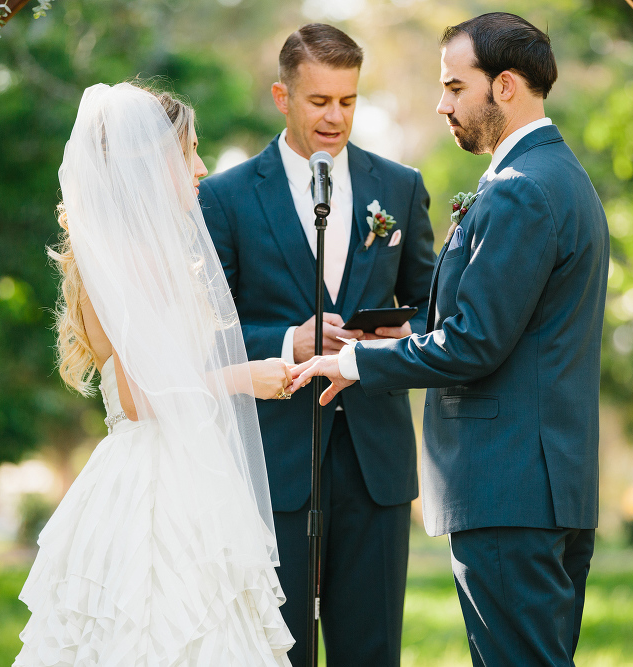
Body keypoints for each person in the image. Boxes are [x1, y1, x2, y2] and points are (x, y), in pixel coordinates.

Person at [292, 13, 610, 666]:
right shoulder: (561, 176)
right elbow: (507, 330)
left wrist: (356, 359)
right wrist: (418, 332)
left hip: (509, 489)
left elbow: (474, 346)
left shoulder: (521, 190)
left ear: (505, 86)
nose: (442, 104)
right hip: (549, 484)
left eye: (455, 86)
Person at [13, 82, 295, 666]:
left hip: (170, 465)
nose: (201, 166)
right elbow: (141, 399)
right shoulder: (130, 260)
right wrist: (246, 377)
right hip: (153, 484)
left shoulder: (124, 251)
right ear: (151, 164)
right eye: (188, 151)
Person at [199, 24, 437, 666]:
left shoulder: (401, 188)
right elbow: (204, 334)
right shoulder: (224, 197)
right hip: (274, 462)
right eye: (319, 101)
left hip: (374, 461)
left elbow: (430, 312)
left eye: (348, 101)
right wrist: (288, 340)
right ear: (282, 96)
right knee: (279, 650)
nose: (336, 117)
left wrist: (397, 334)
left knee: (372, 649)